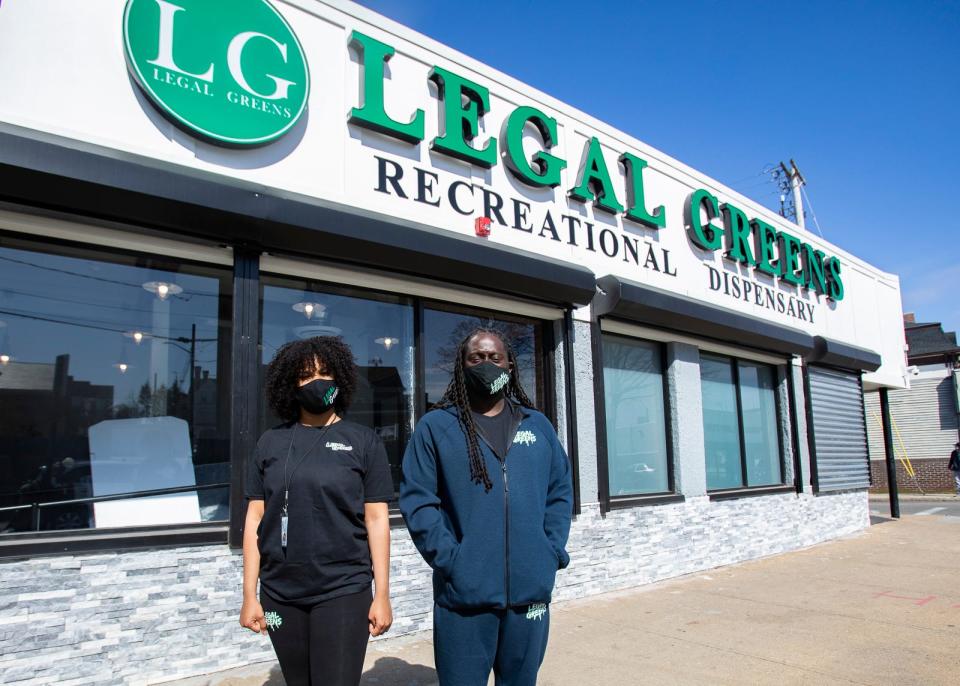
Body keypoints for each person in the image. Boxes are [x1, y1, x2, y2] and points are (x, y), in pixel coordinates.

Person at [400, 328, 573, 686]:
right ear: (461, 367)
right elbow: (419, 502)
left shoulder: (536, 425)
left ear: (510, 364)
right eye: (475, 358)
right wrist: (454, 561)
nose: (486, 364)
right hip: (464, 599)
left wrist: (550, 550)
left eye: (495, 357)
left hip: (531, 597)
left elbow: (559, 492)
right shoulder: (437, 427)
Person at [240, 336, 394, 686]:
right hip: (279, 594)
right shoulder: (270, 442)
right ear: (290, 385)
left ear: (340, 379)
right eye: (306, 375)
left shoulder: (363, 441)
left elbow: (377, 520)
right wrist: (250, 595)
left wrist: (382, 594)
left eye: (325, 372)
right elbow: (254, 520)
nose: (317, 382)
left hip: (343, 590)